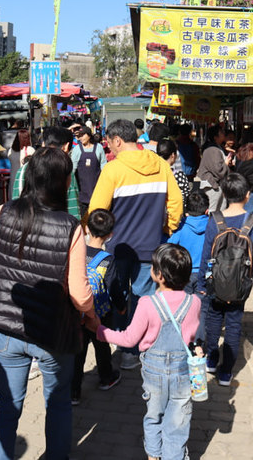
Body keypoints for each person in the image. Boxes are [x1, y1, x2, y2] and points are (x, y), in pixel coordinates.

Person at [0, 147, 96, 460]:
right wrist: (93, 316)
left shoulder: (2, 212)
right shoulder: (71, 227)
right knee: (57, 404)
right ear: (64, 182)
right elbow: (80, 295)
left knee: (8, 407)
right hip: (54, 333)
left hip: (6, 328)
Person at [88, 119, 183, 371]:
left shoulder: (112, 170)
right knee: (145, 298)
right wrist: (167, 228)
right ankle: (144, 346)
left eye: (109, 143)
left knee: (119, 296)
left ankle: (125, 346)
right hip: (151, 244)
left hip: (117, 248)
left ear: (117, 141)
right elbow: (176, 204)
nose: (109, 147)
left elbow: (96, 210)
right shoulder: (162, 166)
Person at [93, 244, 201, 460]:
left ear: (158, 275)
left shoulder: (146, 303)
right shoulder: (195, 302)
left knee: (154, 417)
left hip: (154, 371)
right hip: (182, 373)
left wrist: (99, 331)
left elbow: (129, 339)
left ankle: (153, 457)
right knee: (178, 421)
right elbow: (191, 337)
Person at [198, 173, 253, 386]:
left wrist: (202, 283)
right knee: (234, 325)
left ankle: (211, 359)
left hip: (215, 283)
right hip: (239, 286)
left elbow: (206, 255)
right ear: (247, 195)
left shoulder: (215, 220)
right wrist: (249, 276)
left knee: (214, 320)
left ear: (225, 194)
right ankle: (226, 373)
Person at [72, 208, 125, 405]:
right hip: (101, 313)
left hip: (77, 310)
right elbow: (113, 287)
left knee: (78, 353)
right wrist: (121, 306)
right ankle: (106, 377)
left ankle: (74, 390)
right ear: (110, 235)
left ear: (86, 228)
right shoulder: (108, 260)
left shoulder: (77, 251)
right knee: (102, 346)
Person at [12, 126, 80, 219]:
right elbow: (73, 209)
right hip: (57, 227)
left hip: (25, 225)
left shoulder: (23, 169)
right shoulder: (65, 170)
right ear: (66, 147)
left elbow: (16, 200)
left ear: (43, 144)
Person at [168, 189, 210, 296]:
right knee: (201, 307)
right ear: (207, 211)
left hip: (184, 271)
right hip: (205, 272)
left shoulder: (182, 226)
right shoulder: (211, 226)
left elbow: (169, 245)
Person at [70, 127, 107, 217]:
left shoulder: (98, 148)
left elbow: (104, 167)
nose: (81, 138)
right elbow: (72, 170)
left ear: (89, 135)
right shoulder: (77, 150)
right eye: (79, 136)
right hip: (82, 191)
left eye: (83, 135)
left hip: (96, 189)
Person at [196, 125, 230, 213]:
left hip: (217, 184)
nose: (224, 134)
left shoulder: (217, 147)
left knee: (219, 210)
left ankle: (217, 226)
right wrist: (226, 163)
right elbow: (218, 170)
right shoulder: (212, 149)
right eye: (221, 132)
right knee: (213, 210)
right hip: (212, 185)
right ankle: (212, 226)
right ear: (215, 137)